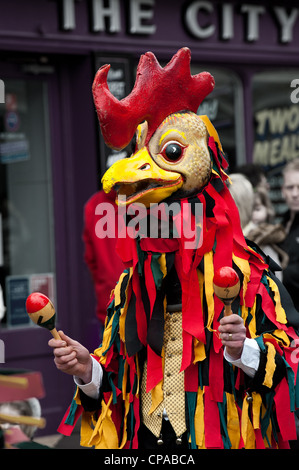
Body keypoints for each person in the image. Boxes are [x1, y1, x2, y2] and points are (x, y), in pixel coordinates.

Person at [83, 188, 124, 328]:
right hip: (144, 305)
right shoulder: (143, 199)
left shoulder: (94, 205)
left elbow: (91, 259)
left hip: (110, 304)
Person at [279, 158, 299, 311]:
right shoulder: (282, 224)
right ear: (282, 190)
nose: (295, 194)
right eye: (290, 187)